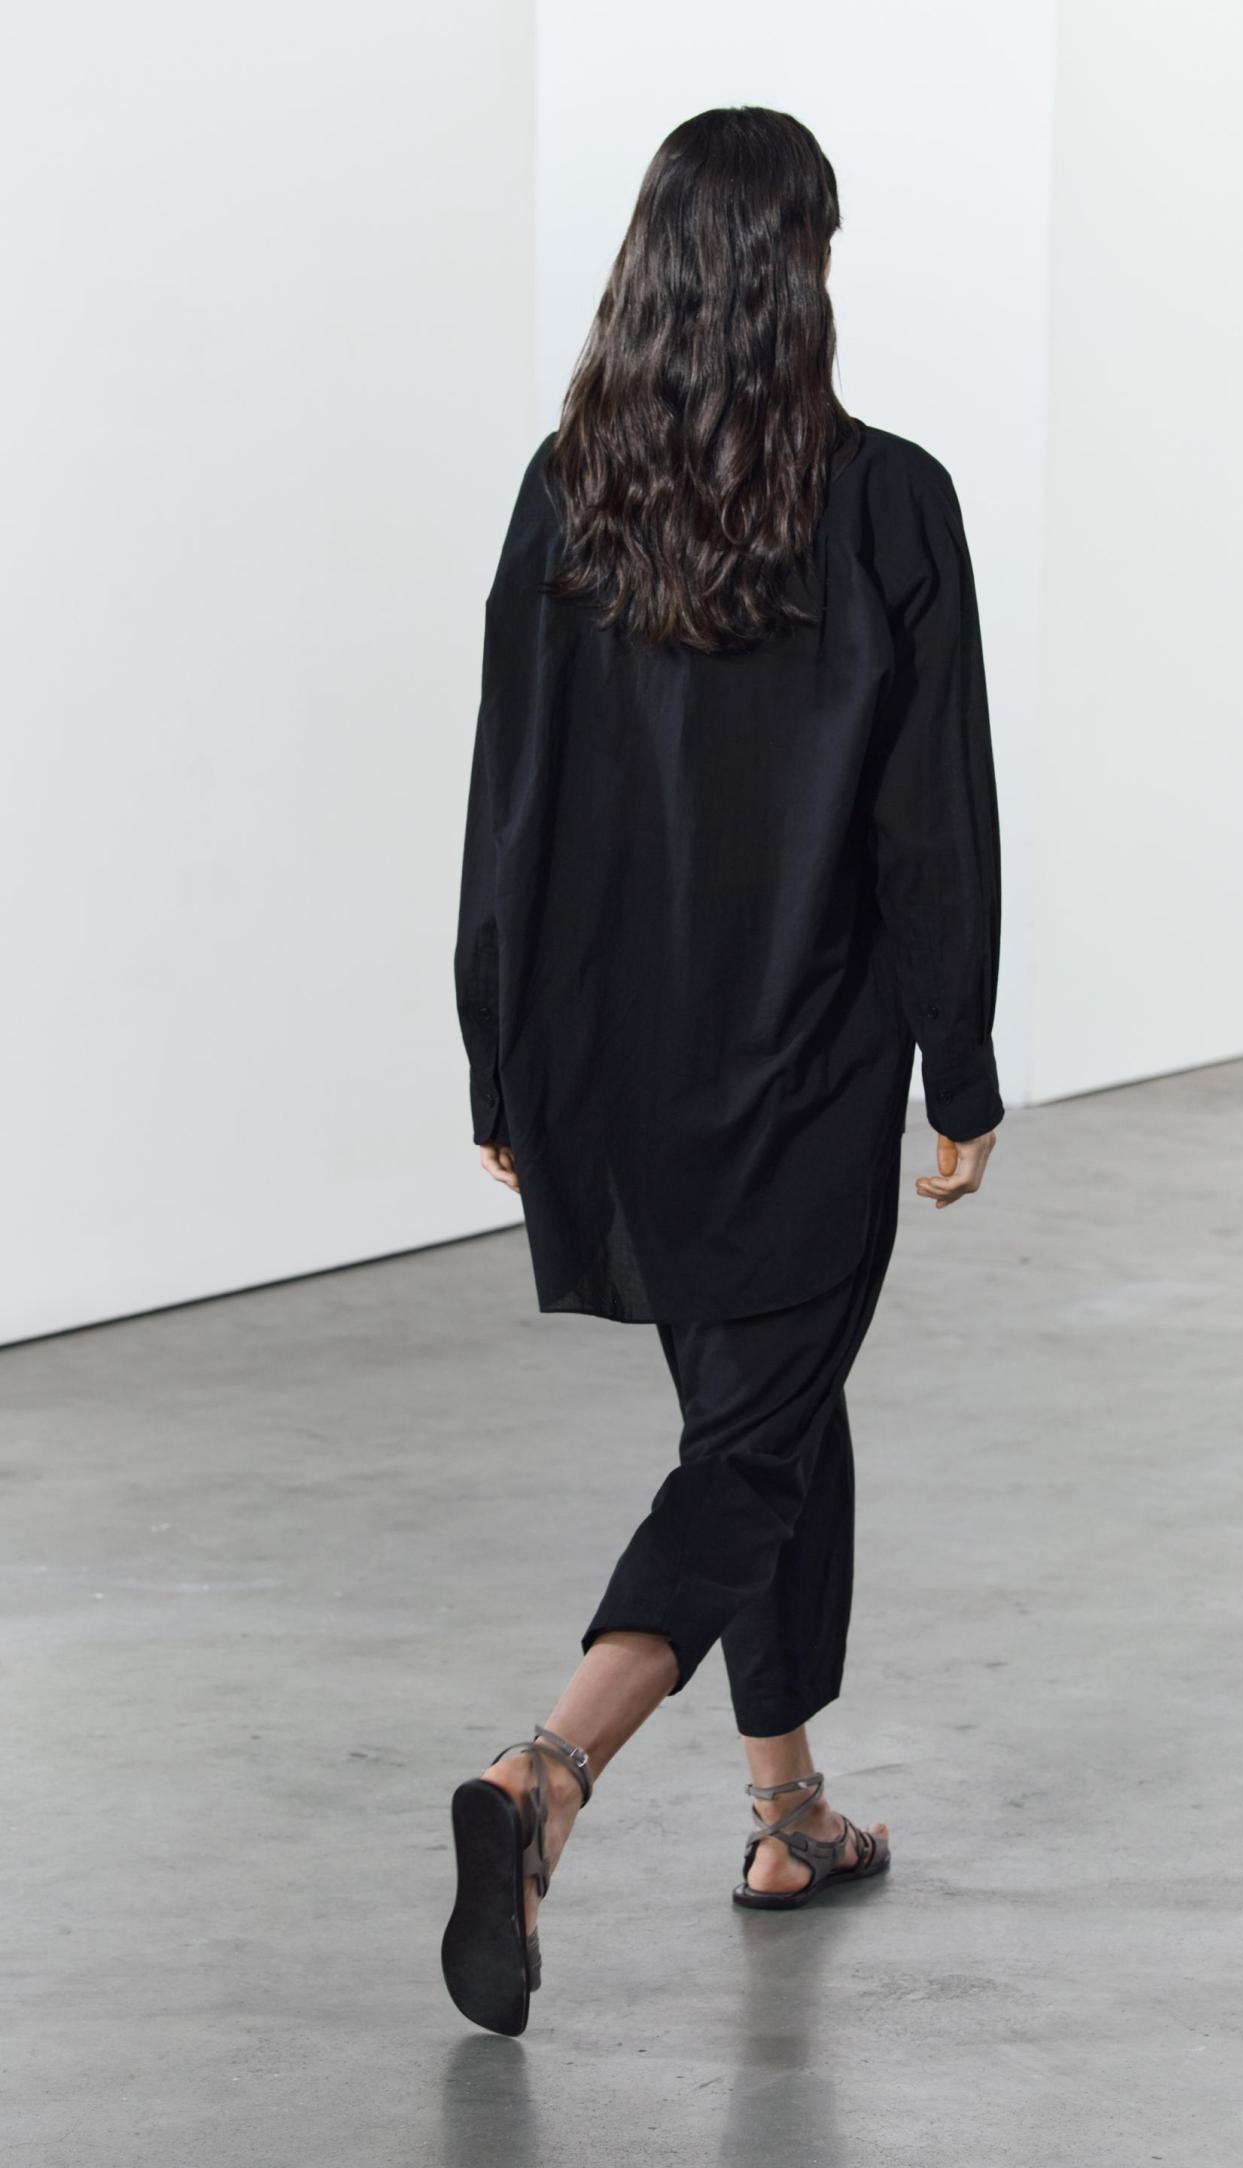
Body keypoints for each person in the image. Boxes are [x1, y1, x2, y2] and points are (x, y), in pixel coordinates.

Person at [442, 105, 1003, 2037]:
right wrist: (958, 1064)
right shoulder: (889, 500)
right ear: (803, 273)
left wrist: (497, 1053)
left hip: (609, 1047)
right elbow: (932, 821)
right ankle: (548, 1773)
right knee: (754, 1443)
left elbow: (504, 800)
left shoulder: (566, 494)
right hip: (804, 1056)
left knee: (758, 1423)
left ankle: (787, 1816)